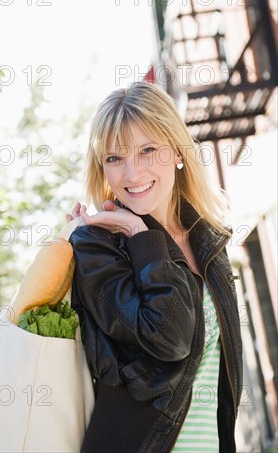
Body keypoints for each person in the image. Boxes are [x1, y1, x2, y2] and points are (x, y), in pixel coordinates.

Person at [65, 82, 242, 453]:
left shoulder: (208, 241)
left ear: (177, 151)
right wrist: (137, 233)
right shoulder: (97, 247)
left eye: (147, 150)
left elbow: (219, 379)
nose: (132, 173)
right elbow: (169, 338)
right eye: (114, 158)